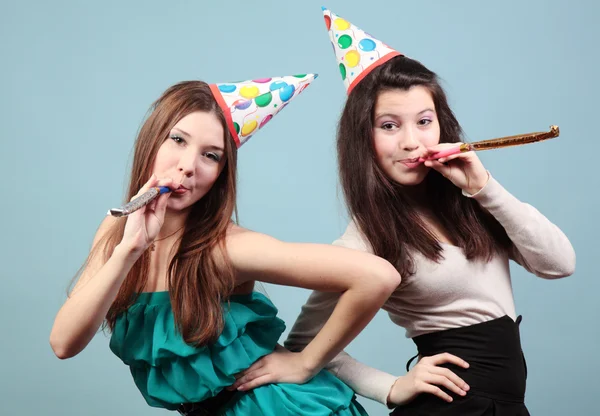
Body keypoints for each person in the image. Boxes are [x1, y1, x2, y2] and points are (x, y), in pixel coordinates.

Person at [233, 9, 575, 416]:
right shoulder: (365, 239)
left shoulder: (473, 203)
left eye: (424, 121)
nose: (412, 142)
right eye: (390, 126)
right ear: (364, 137)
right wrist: (391, 387)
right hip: (452, 407)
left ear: (441, 126)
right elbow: (305, 344)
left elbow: (559, 263)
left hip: (505, 406)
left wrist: (485, 187)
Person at [49, 75, 402, 415]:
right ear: (151, 140)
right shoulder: (116, 228)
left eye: (211, 155)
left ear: (221, 174)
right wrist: (128, 251)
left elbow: (377, 277)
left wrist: (306, 363)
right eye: (177, 140)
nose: (188, 166)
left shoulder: (224, 249)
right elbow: (64, 343)